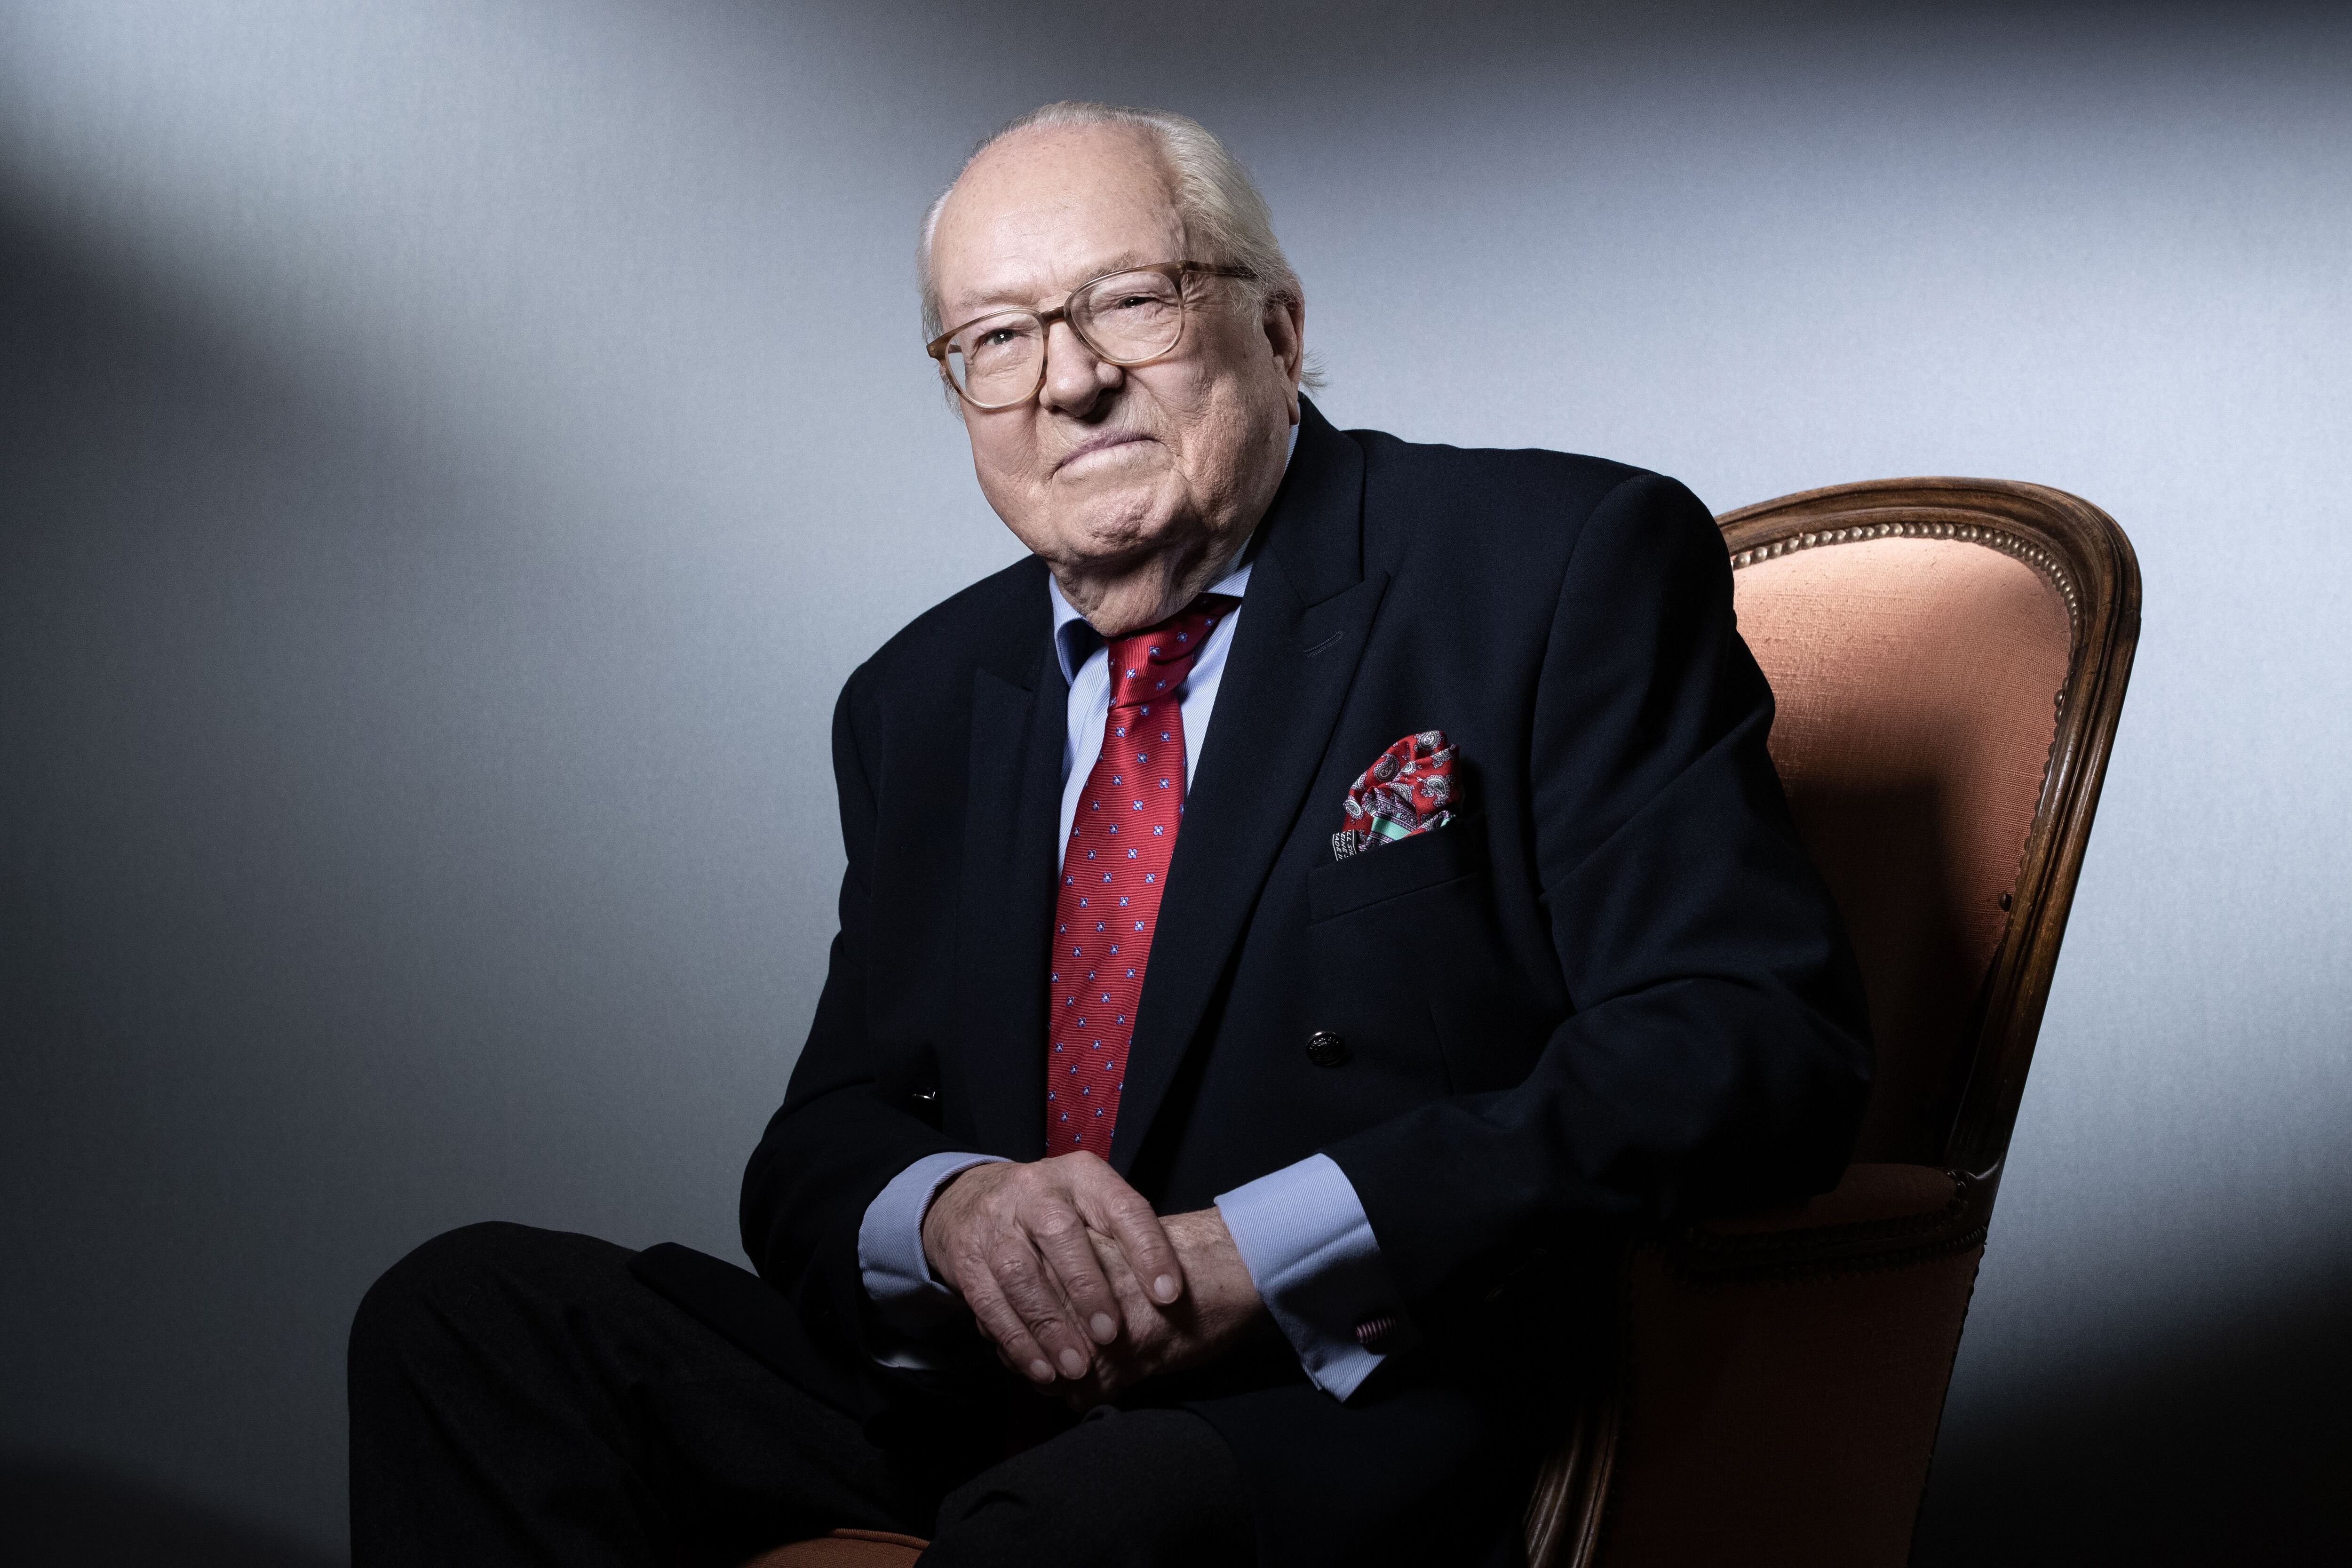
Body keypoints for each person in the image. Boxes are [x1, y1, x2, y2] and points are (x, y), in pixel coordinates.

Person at [348, 101, 1871, 1568]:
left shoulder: (1551, 566)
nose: (1066, 383)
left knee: (1079, 1525)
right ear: (963, 396)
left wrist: (1252, 1252)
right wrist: (949, 1212)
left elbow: (1743, 1044)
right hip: (990, 1390)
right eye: (996, 338)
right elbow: (821, 1146)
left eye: (1127, 302)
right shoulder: (920, 697)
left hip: (1343, 1391)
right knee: (464, 1314)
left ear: (1275, 329)